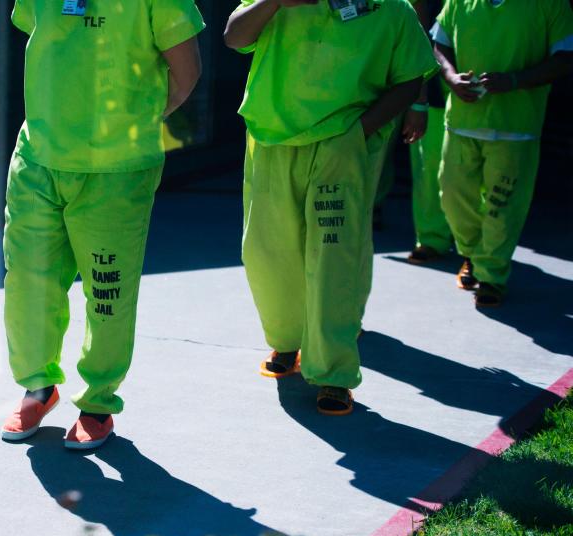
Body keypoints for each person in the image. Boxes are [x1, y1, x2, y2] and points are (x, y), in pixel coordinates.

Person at [1, 0, 205, 450]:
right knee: (29, 280)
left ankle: (97, 402)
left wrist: (130, 123)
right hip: (38, 156)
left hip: (116, 169)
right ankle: (38, 386)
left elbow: (186, 74)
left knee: (108, 290)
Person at [224, 0, 437, 415]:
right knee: (267, 251)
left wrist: (357, 133)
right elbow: (234, 36)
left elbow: (409, 78)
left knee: (334, 258)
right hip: (272, 138)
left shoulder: (391, 9)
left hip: (341, 144)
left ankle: (334, 372)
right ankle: (287, 340)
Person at [433, 0, 573, 307]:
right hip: (461, 122)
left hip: (516, 127)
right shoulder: (459, 2)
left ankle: (492, 275)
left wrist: (514, 81)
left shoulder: (551, 7)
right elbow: (438, 44)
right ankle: (471, 253)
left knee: (503, 206)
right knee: (453, 197)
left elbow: (565, 58)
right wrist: (452, 77)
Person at [405, 0, 455, 265]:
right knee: (429, 165)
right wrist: (418, 96)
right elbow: (417, 27)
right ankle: (432, 238)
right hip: (433, 82)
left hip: (479, 77)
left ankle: (476, 249)